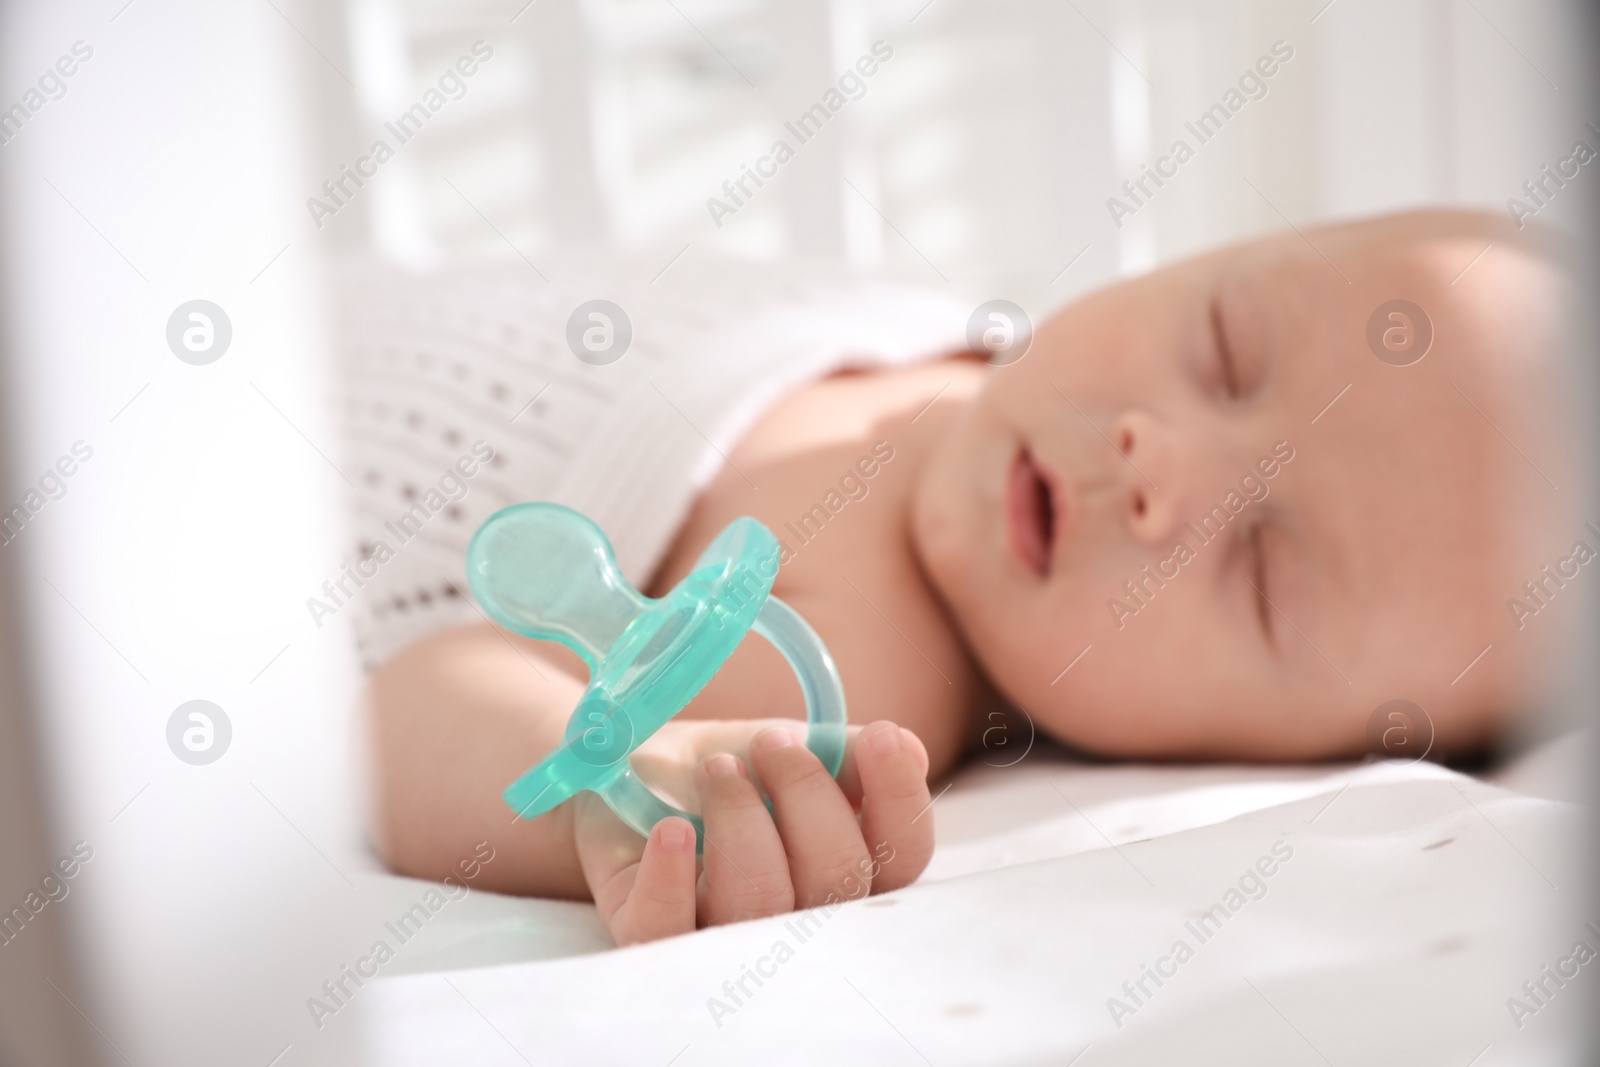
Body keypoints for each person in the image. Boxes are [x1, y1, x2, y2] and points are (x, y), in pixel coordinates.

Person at [355, 210, 1569, 945]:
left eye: (1261, 568)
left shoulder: (840, 648)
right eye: (1225, 348)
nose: (1163, 468)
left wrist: (612, 780)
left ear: (1283, 749)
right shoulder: (938, 326)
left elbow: (407, 706)